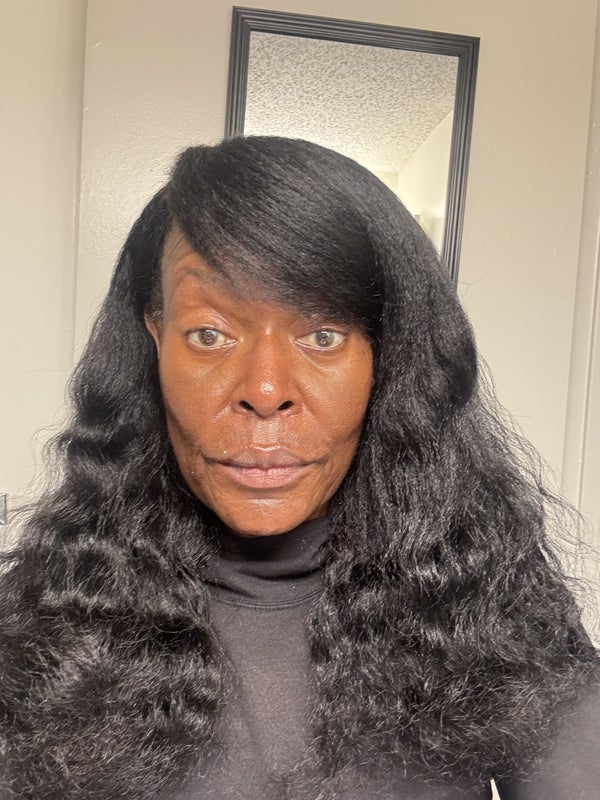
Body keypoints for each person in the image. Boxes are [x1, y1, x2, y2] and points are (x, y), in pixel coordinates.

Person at [0, 136, 598, 800]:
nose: (265, 391)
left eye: (323, 335)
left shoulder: (495, 602)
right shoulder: (40, 620)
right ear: (155, 337)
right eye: (209, 334)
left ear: (387, 359)